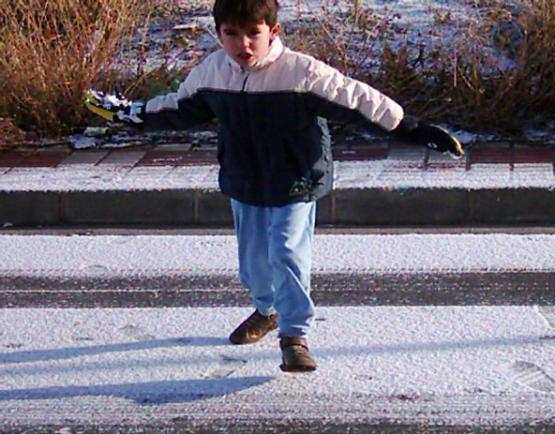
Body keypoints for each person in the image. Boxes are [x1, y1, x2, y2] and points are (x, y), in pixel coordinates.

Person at [84, 0, 463, 373]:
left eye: (254, 33)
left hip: (296, 178)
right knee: (253, 265)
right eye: (232, 34)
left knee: (285, 252)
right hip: (245, 179)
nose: (243, 44)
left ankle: (294, 336)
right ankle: (267, 310)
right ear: (218, 34)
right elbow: (175, 109)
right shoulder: (213, 72)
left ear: (273, 31)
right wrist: (129, 114)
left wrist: (414, 129)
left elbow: (358, 99)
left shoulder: (301, 72)